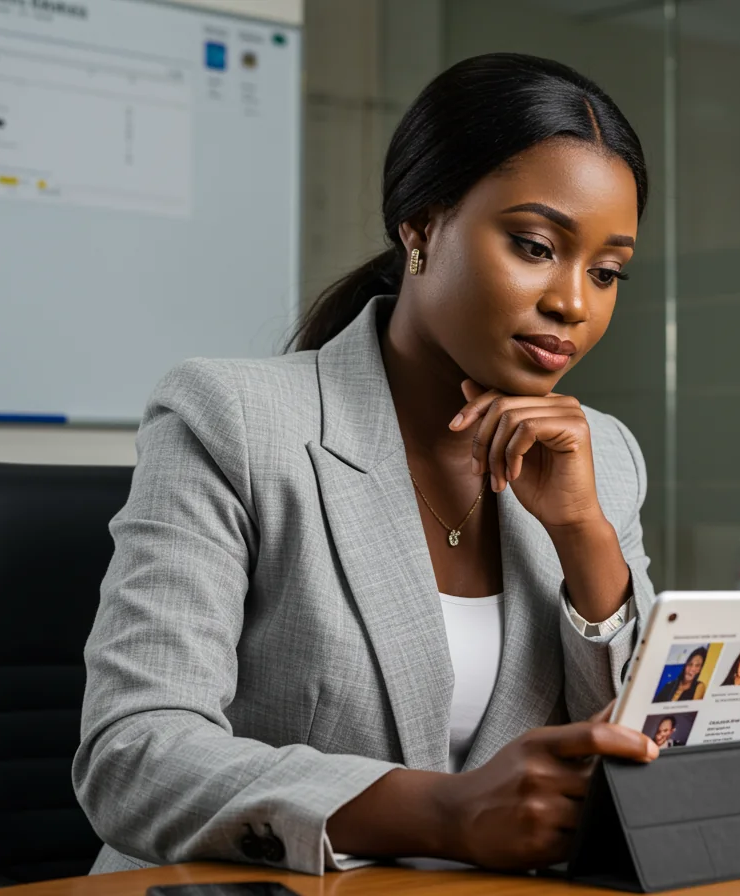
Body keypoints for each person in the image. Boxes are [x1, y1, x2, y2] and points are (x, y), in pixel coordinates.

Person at [73, 53, 659, 877]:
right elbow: (134, 755)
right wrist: (443, 814)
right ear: (420, 224)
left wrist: (582, 535)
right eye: (534, 246)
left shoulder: (604, 457)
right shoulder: (234, 420)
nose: (574, 302)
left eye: (606, 272)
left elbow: (647, 759)